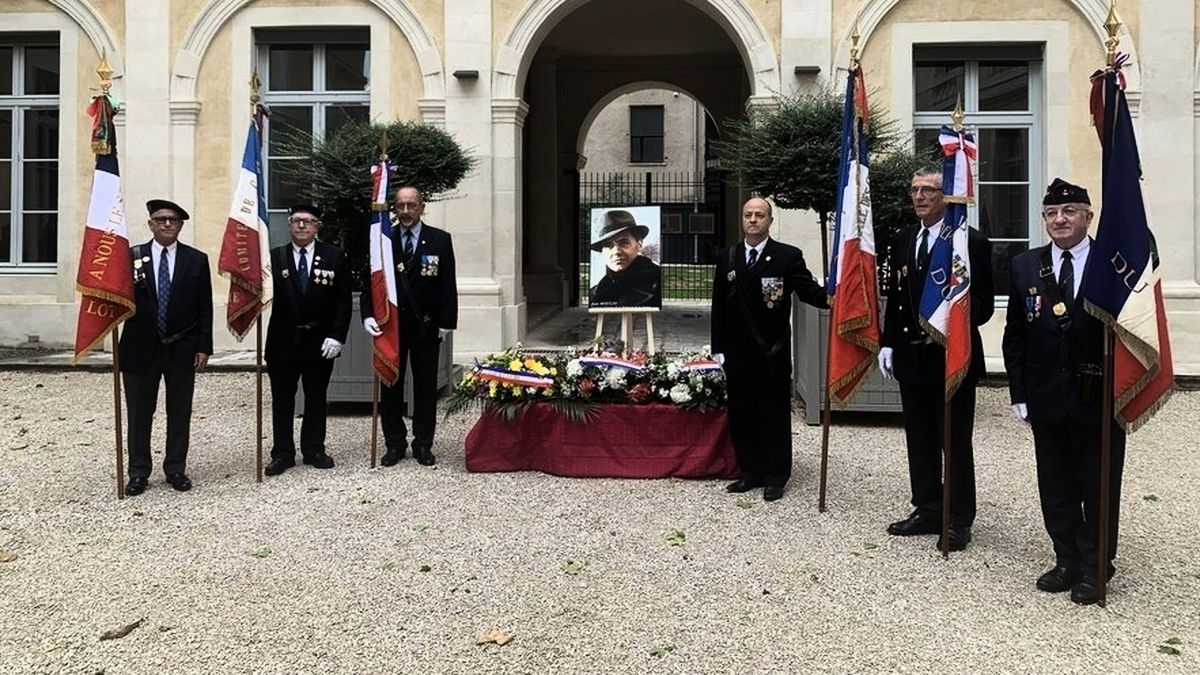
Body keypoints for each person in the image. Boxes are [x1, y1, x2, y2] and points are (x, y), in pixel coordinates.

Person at [1002, 179, 1125, 605]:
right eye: (1052, 213)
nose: (1060, 219)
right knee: (1056, 485)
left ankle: (1095, 566)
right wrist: (1019, 390)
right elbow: (1015, 334)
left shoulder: (1113, 263)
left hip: (1100, 396)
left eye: (1070, 211)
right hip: (1046, 394)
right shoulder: (1024, 265)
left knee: (1098, 484)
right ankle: (1067, 558)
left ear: (1088, 217)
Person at [879, 167, 995, 551]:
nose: (919, 197)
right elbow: (898, 298)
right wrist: (888, 342)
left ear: (947, 196)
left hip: (951, 358)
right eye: (914, 190)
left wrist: (952, 316)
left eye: (928, 190)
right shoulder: (902, 238)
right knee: (920, 439)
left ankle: (959, 518)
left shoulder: (969, 242)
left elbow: (984, 305)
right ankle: (928, 508)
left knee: (954, 441)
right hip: (912, 358)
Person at [711, 197, 828, 501]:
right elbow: (718, 306)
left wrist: (835, 296)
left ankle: (776, 475)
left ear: (770, 221)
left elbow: (808, 291)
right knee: (743, 415)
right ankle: (751, 471)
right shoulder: (728, 257)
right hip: (736, 353)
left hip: (770, 355)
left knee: (773, 416)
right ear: (742, 219)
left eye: (759, 215)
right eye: (748, 215)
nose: (753, 220)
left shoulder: (786, 257)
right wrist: (718, 346)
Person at [119, 199, 213, 496]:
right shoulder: (130, 257)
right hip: (139, 348)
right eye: (161, 219)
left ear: (181, 225)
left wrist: (204, 347)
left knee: (179, 411)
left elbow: (204, 308)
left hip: (182, 347)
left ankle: (175, 469)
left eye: (173, 220)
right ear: (150, 224)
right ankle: (138, 472)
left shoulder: (196, 260)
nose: (167, 224)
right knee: (138, 413)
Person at [362, 186, 457, 467]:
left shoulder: (439, 240)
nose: (405, 211)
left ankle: (423, 444)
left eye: (411, 205)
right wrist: (368, 314)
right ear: (394, 207)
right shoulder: (383, 239)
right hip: (391, 327)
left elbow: (447, 285)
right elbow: (371, 281)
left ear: (421, 206)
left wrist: (446, 321)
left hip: (425, 327)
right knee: (391, 385)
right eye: (400, 206)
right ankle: (394, 444)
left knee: (426, 389)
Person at [263, 204, 352, 476]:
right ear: (289, 225)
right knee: (282, 399)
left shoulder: (334, 256)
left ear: (317, 227)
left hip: (319, 341)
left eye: (308, 222)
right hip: (282, 341)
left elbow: (343, 301)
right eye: (296, 221)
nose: (302, 226)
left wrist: (337, 337)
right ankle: (282, 453)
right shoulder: (273, 258)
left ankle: (314, 448)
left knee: (315, 396)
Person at [588, 209, 661, 307]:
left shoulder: (656, 283)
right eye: (608, 245)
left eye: (623, 243)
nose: (616, 252)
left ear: (639, 244)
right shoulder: (597, 292)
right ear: (602, 251)